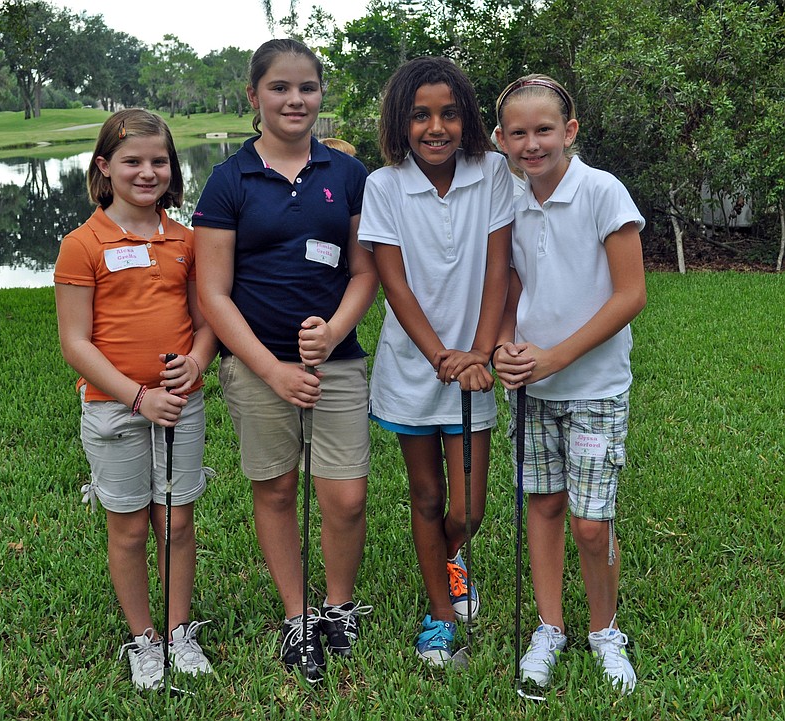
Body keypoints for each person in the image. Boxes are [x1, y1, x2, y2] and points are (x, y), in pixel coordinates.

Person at [192, 39, 378, 682]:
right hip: (256, 367)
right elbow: (211, 292)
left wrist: (332, 334)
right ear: (255, 97)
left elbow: (363, 272)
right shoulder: (228, 178)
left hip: (338, 363)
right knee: (275, 488)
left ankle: (339, 606)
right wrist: (270, 368)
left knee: (346, 496)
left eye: (307, 87)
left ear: (319, 95)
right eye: (280, 88)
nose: (295, 99)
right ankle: (299, 617)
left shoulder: (347, 175)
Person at [54, 109, 218, 690]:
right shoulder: (83, 244)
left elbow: (207, 321)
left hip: (182, 404)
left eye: (159, 161)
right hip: (114, 408)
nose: (147, 172)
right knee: (128, 527)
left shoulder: (187, 241)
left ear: (172, 169)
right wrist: (137, 396)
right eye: (132, 161)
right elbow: (75, 342)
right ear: (104, 167)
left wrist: (197, 362)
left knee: (175, 521)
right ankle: (144, 639)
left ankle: (178, 630)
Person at [357, 56, 514, 666]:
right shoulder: (384, 185)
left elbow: (499, 267)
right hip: (412, 366)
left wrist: (477, 353)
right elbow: (392, 281)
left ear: (467, 118)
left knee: (466, 506)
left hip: (474, 366)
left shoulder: (492, 171)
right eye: (420, 115)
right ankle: (440, 615)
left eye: (449, 113)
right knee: (426, 495)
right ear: (401, 120)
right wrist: (441, 357)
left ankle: (452, 555)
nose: (436, 127)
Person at [493, 74, 647, 694]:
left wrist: (555, 357)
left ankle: (605, 630)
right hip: (532, 390)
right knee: (544, 504)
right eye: (519, 133)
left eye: (545, 130)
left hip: (595, 388)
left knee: (590, 521)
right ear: (502, 140)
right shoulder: (512, 198)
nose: (533, 144)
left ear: (570, 132)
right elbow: (515, 288)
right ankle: (549, 627)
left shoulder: (601, 191)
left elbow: (631, 294)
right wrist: (506, 341)